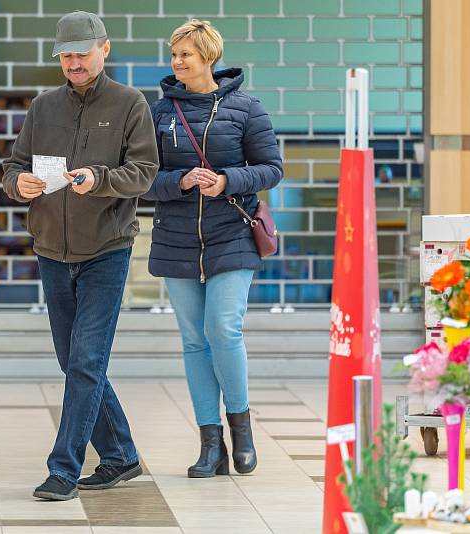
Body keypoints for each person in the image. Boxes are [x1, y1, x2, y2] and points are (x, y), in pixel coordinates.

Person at [2, 11, 159, 501]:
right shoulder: (42, 107)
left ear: (104, 50)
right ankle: (121, 456)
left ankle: (63, 469)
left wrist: (101, 179)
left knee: (87, 360)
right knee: (73, 360)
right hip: (51, 250)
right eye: (66, 56)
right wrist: (17, 185)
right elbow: (14, 166)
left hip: (106, 250)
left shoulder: (131, 103)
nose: (73, 63)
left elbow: (145, 171)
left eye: (82, 54)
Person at [142, 20, 282, 478]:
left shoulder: (245, 108)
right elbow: (143, 179)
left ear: (209, 58)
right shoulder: (159, 113)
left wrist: (226, 181)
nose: (178, 62)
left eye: (187, 54)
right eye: (174, 54)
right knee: (193, 341)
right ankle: (210, 444)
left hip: (232, 235)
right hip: (177, 238)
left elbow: (271, 169)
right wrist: (179, 182)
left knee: (224, 330)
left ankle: (242, 430)